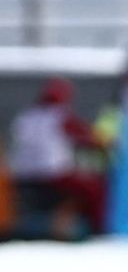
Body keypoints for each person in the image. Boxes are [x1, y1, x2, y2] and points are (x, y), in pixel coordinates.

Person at [6, 77, 105, 238]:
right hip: (52, 174)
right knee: (95, 189)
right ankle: (98, 229)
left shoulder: (26, 117)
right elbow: (87, 137)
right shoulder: (60, 116)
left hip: (22, 174)